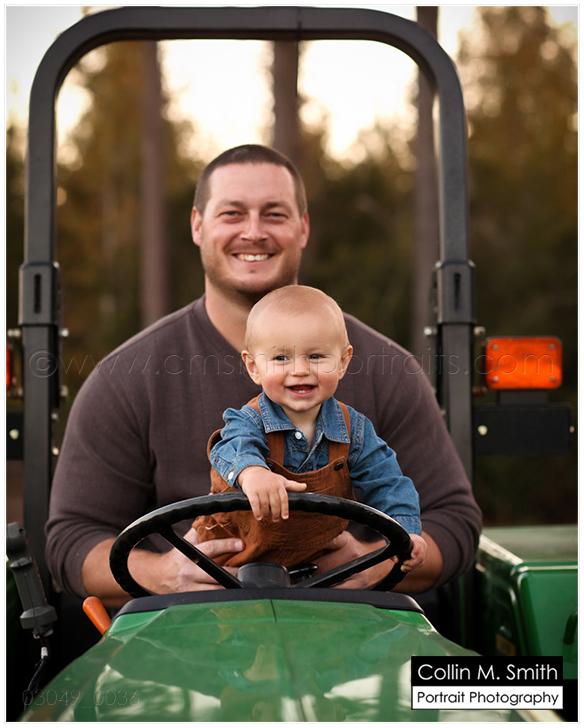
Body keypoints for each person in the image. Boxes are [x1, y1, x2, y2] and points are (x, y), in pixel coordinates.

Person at [46, 144, 481, 609]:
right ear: (197, 225)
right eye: (232, 213)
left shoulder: (388, 371)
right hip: (190, 635)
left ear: (303, 227)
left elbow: (453, 522)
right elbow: (70, 541)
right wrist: (162, 574)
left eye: (274, 214)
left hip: (351, 631)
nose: (253, 232)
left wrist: (375, 564)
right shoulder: (125, 379)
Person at [194, 285, 427, 575]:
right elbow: (231, 447)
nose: (300, 370)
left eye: (316, 356)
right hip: (229, 566)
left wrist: (405, 531)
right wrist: (252, 473)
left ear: (342, 362)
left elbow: (387, 482)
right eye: (281, 358)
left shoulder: (354, 431)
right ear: (254, 367)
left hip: (311, 570)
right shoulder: (249, 422)